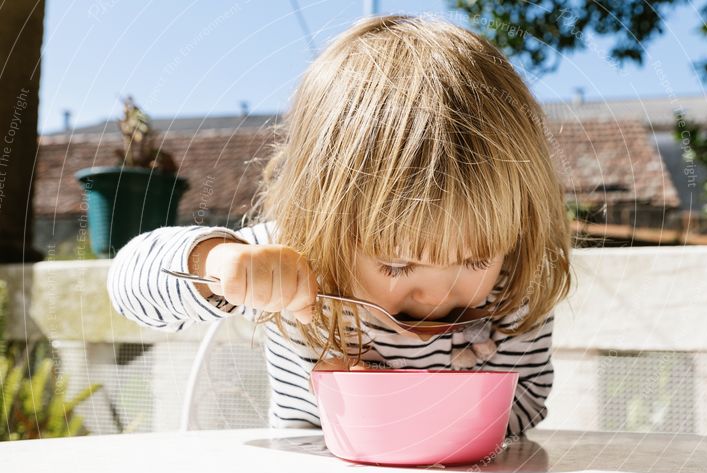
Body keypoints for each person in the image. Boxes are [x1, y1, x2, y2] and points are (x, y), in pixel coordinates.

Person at [107, 14, 572, 438]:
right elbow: (128, 286)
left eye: (475, 260)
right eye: (395, 264)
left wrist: (426, 423)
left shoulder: (514, 286)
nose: (436, 295)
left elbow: (527, 400)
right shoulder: (297, 263)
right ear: (324, 220)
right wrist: (217, 262)